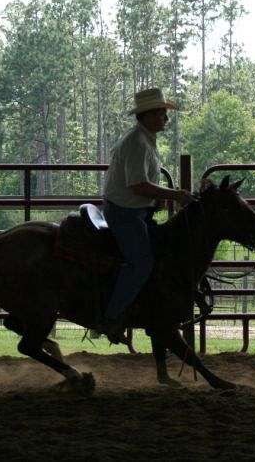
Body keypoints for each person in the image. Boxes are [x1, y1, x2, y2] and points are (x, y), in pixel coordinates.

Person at [94, 87, 194, 342]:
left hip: (131, 210)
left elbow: (140, 184)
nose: (165, 118)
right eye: (162, 113)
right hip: (125, 213)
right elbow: (137, 185)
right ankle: (111, 318)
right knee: (141, 263)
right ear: (148, 115)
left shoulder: (142, 139)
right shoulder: (138, 143)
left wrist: (158, 197)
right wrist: (174, 195)